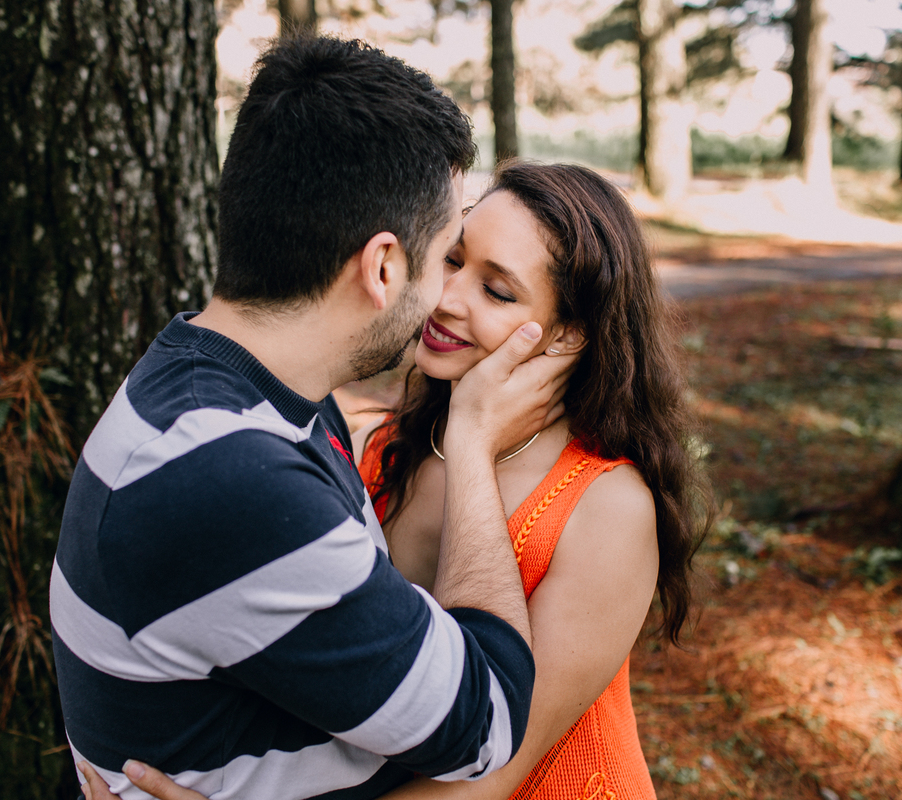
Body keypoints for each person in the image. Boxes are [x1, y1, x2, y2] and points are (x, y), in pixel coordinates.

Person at [79, 162, 711, 800]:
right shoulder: (387, 446)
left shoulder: (606, 505)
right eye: (453, 259)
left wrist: (472, 440)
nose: (447, 297)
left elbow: (493, 771)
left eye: (498, 291)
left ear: (566, 338)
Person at [52, 37, 577, 800]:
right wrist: (470, 443)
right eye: (445, 257)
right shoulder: (235, 478)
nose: (447, 295)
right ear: (384, 267)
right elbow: (486, 722)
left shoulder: (229, 388)